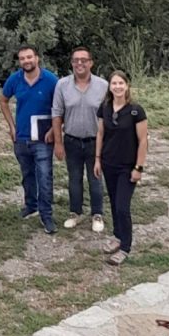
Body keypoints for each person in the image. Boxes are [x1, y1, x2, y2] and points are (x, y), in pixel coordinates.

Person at [0, 45, 58, 234]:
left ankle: (46, 215)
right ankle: (31, 205)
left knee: (45, 176)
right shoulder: (15, 79)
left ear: (37, 58)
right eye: (22, 58)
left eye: (29, 57)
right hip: (22, 137)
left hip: (43, 138)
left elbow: (62, 106)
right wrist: (11, 126)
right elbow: (3, 100)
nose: (26, 61)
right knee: (27, 175)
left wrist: (54, 129)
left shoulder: (50, 80)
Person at [94, 71, 148, 267]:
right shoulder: (105, 108)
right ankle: (117, 236)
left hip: (128, 166)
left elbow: (143, 141)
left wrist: (139, 167)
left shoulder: (136, 111)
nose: (117, 87)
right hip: (109, 163)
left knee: (123, 207)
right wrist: (97, 159)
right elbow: (100, 134)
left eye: (120, 83)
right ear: (109, 87)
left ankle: (125, 247)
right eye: (114, 83)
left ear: (127, 86)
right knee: (114, 203)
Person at [51, 48, 108, 232]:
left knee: (95, 178)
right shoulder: (62, 85)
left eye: (84, 60)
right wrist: (58, 143)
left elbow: (109, 115)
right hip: (72, 140)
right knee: (74, 179)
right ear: (72, 63)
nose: (80, 63)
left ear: (91, 62)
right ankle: (75, 212)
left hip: (95, 141)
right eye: (76, 60)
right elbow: (57, 114)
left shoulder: (103, 86)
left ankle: (97, 214)